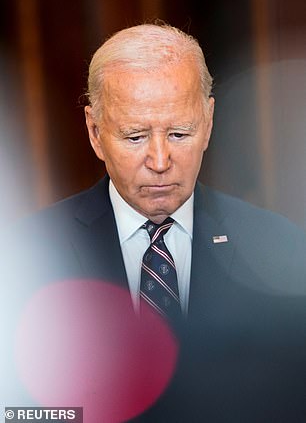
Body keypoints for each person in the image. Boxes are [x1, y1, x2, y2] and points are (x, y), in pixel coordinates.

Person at [2, 23, 306, 422]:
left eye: (179, 133)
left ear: (209, 122)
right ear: (95, 132)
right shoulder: (28, 256)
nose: (160, 161)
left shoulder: (280, 248)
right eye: (135, 137)